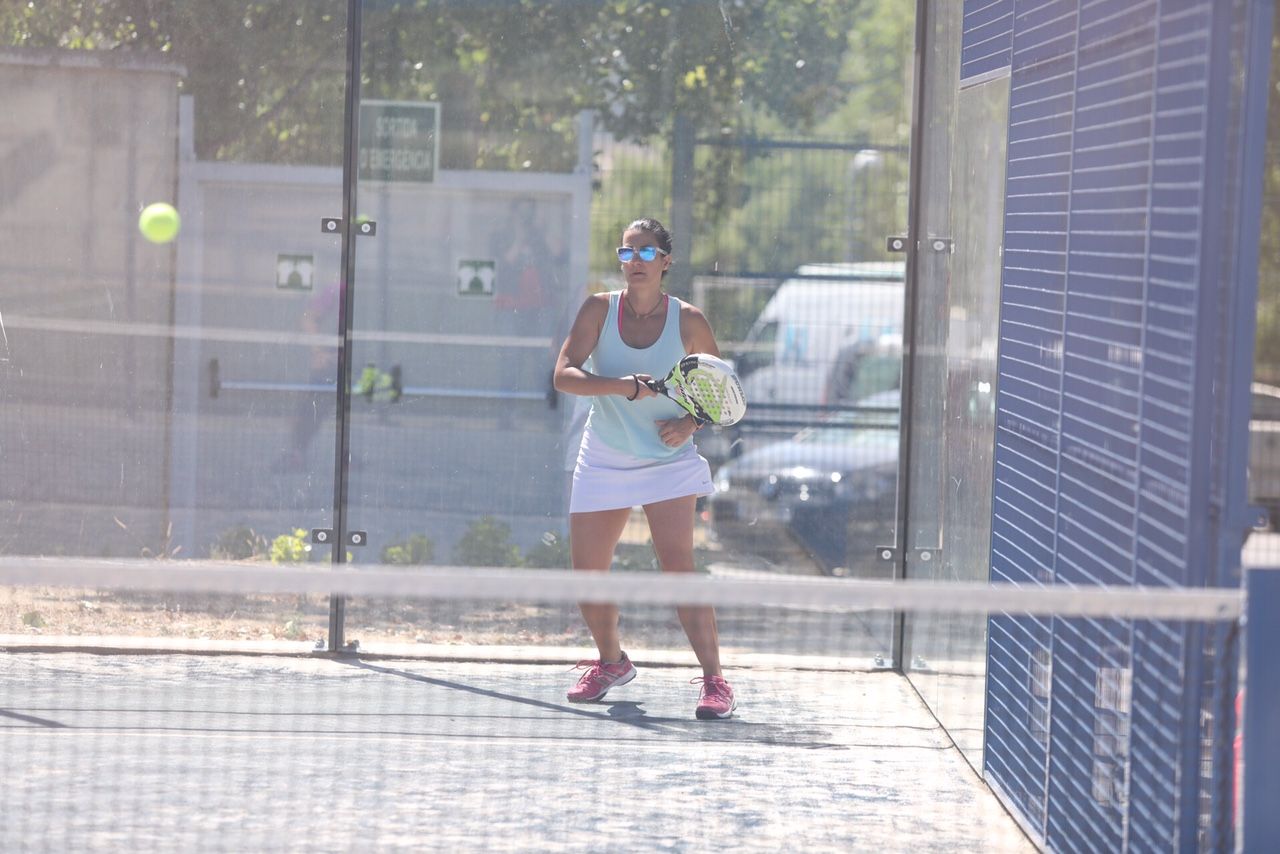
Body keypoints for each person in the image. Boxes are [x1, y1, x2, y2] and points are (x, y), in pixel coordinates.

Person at [552, 217, 735, 720]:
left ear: (666, 261)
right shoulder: (598, 309)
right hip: (605, 453)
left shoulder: (690, 320)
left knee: (678, 569)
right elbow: (564, 376)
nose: (636, 262)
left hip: (668, 460)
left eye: (647, 253)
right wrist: (622, 386)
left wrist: (690, 423)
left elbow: (719, 391)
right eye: (628, 253)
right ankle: (612, 663)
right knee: (588, 576)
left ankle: (716, 682)